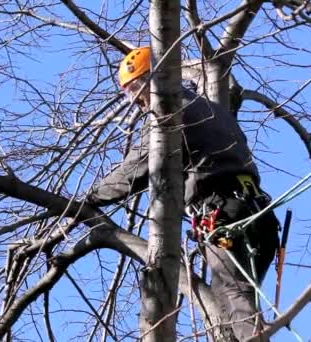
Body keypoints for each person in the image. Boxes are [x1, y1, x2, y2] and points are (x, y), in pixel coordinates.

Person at [86, 46, 280, 340]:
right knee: (235, 302)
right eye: (129, 94)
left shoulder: (170, 114)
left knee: (232, 293)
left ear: (158, 78)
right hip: (259, 213)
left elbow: (138, 167)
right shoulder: (214, 109)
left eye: (138, 88)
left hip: (222, 212)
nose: (137, 100)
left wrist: (90, 199)